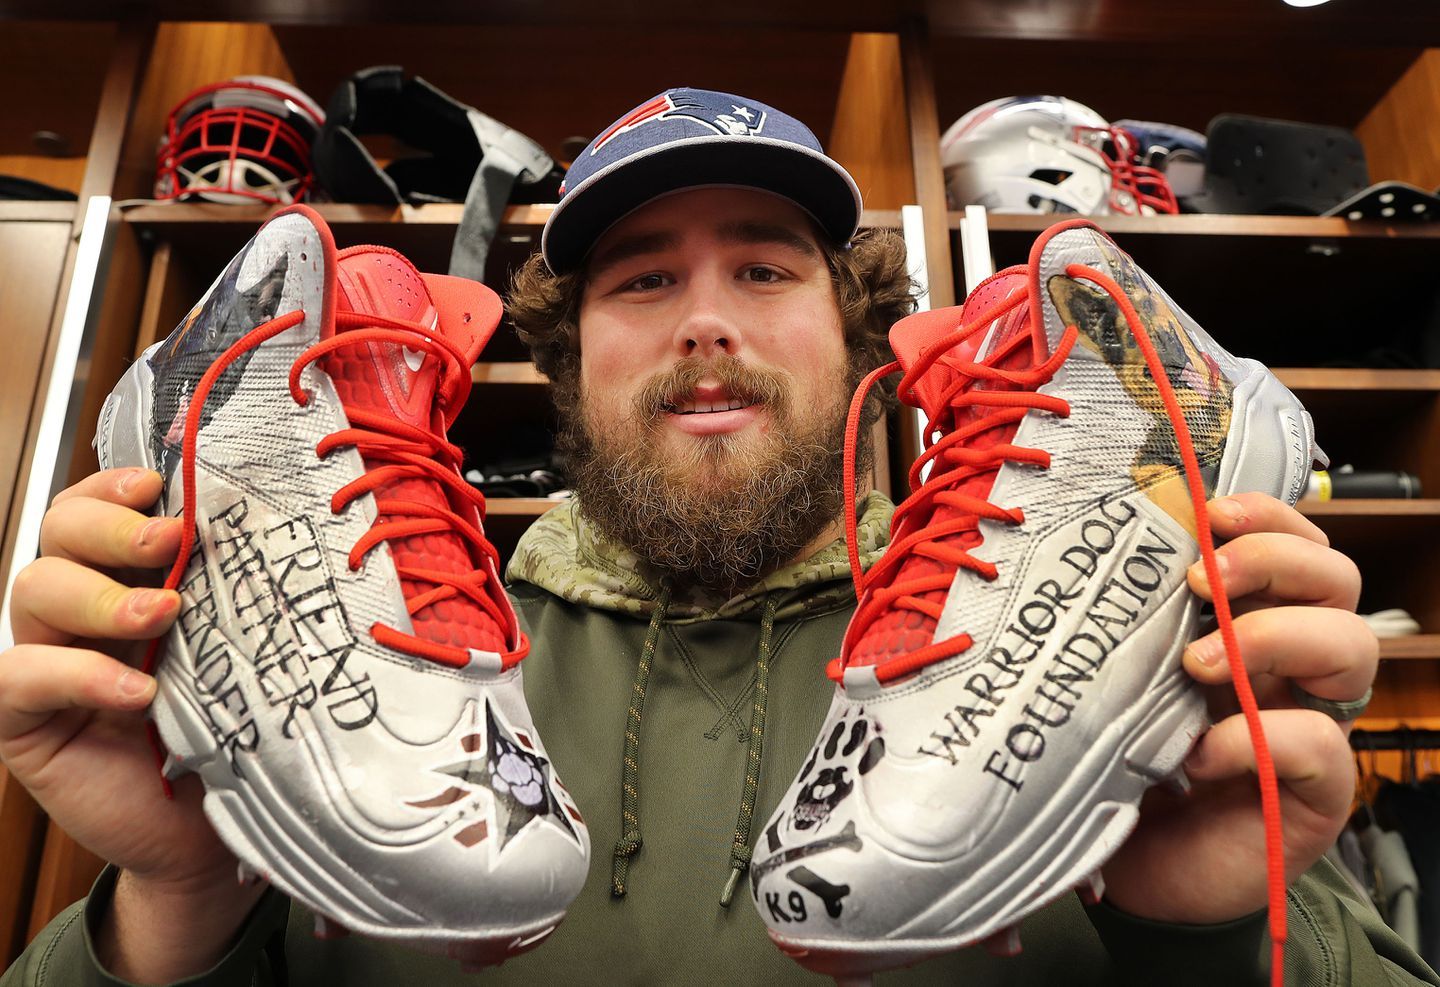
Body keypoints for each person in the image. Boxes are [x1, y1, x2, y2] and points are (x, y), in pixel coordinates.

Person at [1, 87, 1433, 987]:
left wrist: (1216, 936)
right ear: (566, 362)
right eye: (641, 279)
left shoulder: (1134, 665)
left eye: (762, 265)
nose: (704, 316)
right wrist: (167, 904)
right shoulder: (333, 666)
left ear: (858, 335)